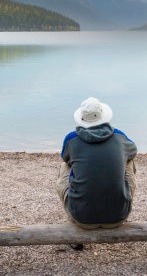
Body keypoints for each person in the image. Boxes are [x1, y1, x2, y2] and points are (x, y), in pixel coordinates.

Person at [56, 97, 138, 230]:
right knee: (129, 159)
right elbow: (133, 151)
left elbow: (66, 158)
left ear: (81, 118)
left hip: (81, 218)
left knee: (64, 166)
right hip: (118, 217)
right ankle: (121, 199)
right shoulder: (119, 136)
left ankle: (73, 218)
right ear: (103, 116)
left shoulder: (71, 139)